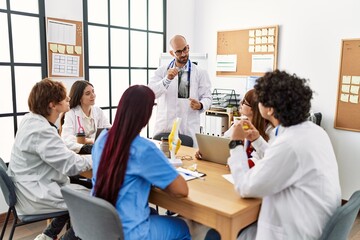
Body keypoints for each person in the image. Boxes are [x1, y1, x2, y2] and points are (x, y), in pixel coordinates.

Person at [207, 70, 341, 239]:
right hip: (312, 222)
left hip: (294, 232)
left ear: (269, 109)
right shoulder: (313, 132)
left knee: (215, 234)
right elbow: (277, 159)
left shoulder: (290, 144)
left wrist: (237, 144)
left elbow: (245, 187)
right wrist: (256, 138)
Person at [91, 85, 191, 240]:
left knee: (153, 213)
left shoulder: (102, 139)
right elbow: (181, 189)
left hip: (103, 225)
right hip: (131, 232)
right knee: (184, 228)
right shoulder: (143, 148)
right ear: (146, 114)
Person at [7, 79, 92, 240]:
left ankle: (48, 235)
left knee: (76, 188)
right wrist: (102, 157)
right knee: (94, 205)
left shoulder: (31, 120)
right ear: (53, 105)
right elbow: (70, 165)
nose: (68, 99)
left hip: (30, 186)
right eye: (65, 97)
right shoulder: (41, 130)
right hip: (34, 194)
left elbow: (58, 154)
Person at [148, 35, 212, 146]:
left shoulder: (200, 73)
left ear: (188, 47)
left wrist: (200, 105)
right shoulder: (162, 71)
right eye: (178, 52)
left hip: (188, 128)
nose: (183, 54)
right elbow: (151, 93)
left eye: (185, 49)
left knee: (189, 160)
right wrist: (167, 79)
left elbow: (208, 97)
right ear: (172, 53)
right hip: (165, 127)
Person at [196, 88, 274, 167]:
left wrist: (239, 164)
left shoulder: (270, 130)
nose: (240, 103)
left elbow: (264, 158)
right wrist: (206, 150)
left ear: (253, 109)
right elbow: (223, 140)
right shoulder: (241, 122)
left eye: (244, 102)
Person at [61, 80, 111, 154]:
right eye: (88, 94)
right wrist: (89, 141)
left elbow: (109, 130)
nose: (93, 95)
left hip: (98, 150)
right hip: (79, 153)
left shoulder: (98, 111)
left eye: (93, 91)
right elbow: (66, 138)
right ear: (79, 97)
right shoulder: (71, 113)